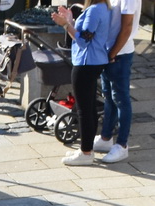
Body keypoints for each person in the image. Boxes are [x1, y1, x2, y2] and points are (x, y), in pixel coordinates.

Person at [49, 1, 115, 164]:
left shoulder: (93, 11)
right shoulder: (102, 8)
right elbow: (84, 34)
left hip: (86, 63)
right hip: (95, 60)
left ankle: (86, 153)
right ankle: (87, 148)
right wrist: (70, 21)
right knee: (89, 107)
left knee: (84, 109)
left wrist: (65, 25)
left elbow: (83, 41)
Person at [95, 0, 137, 163]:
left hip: (120, 53)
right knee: (108, 96)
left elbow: (127, 27)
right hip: (108, 50)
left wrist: (112, 54)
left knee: (121, 99)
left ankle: (122, 145)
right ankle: (106, 138)